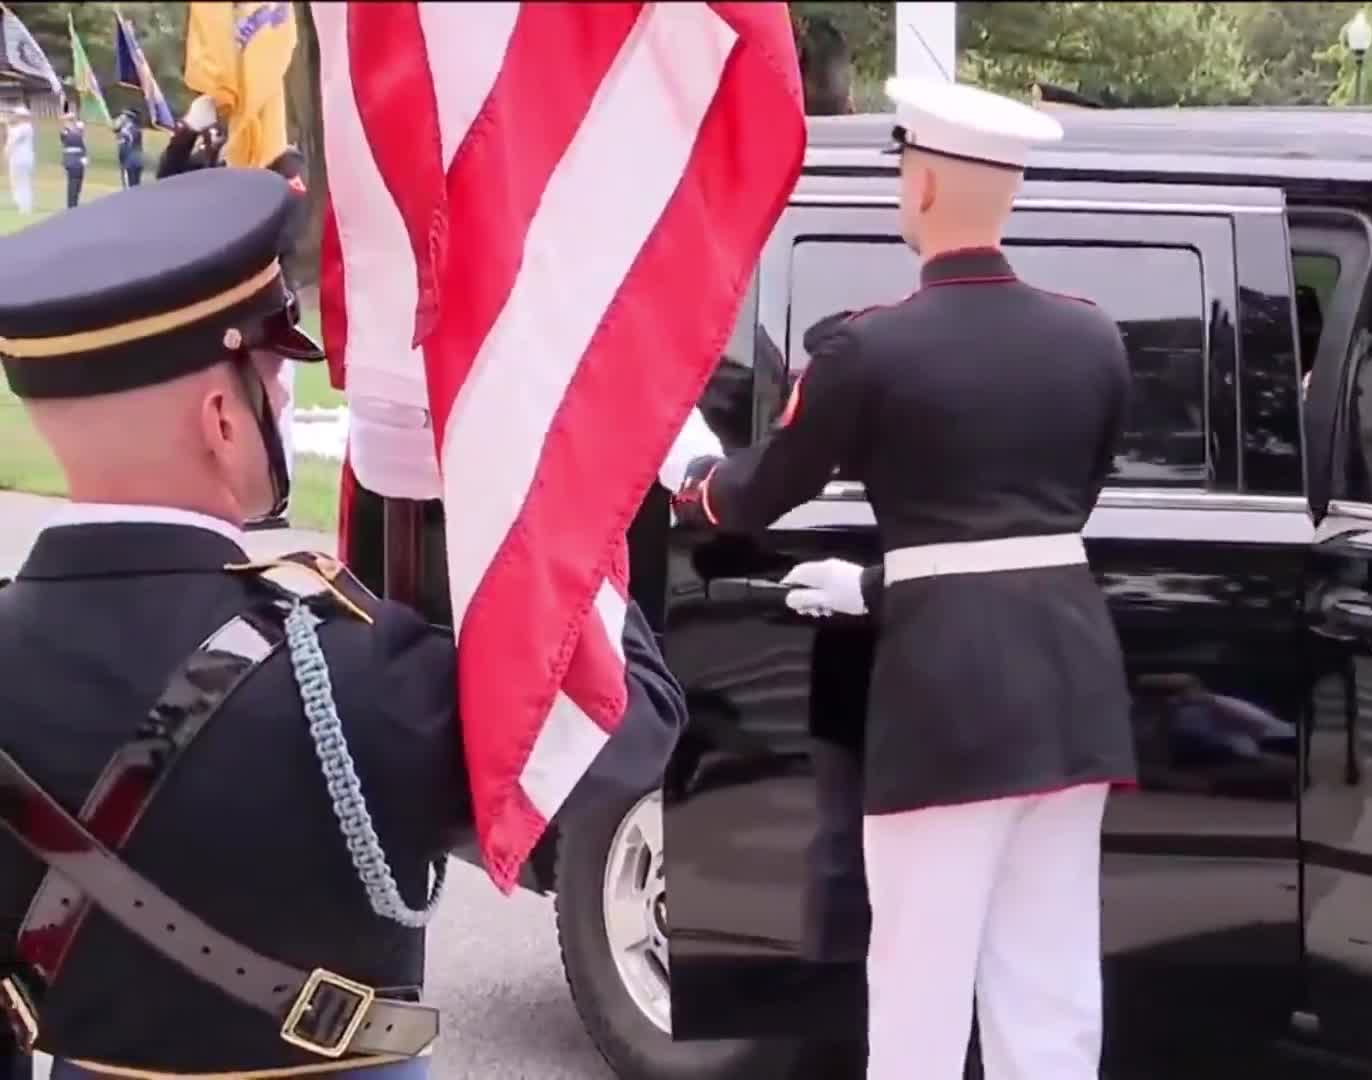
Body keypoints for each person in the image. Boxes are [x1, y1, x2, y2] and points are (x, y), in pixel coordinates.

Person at [0, 168, 688, 1077]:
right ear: (220, 419)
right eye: (275, 378)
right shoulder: (359, 676)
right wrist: (570, 493)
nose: (284, 402)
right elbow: (629, 739)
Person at [673, 77, 1136, 1080]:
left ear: (920, 188)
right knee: (1049, 992)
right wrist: (885, 586)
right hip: (1073, 684)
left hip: (948, 703)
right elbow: (1031, 535)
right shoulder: (1093, 337)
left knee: (920, 990)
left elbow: (761, 495)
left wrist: (693, 477)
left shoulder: (869, 345)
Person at [158, 94, 222, 179]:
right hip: (185, 139)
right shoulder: (207, 104)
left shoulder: (203, 101)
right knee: (173, 166)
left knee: (171, 164)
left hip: (183, 136)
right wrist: (210, 162)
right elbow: (207, 137)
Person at [5, 106, 32, 216]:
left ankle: (24, 207)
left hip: (19, 158)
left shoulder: (22, 128)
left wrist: (7, 152)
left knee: (20, 183)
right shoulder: (26, 127)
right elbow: (11, 132)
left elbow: (12, 141)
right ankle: (24, 205)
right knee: (21, 182)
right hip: (24, 158)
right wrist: (7, 123)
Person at [58, 110, 84, 209]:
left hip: (79, 159)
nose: (72, 121)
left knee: (78, 183)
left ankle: (74, 204)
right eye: (70, 120)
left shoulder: (78, 129)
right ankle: (72, 205)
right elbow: (69, 138)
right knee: (73, 183)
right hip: (72, 159)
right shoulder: (66, 131)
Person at [114, 109, 144, 188]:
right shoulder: (136, 129)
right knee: (135, 187)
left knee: (128, 188)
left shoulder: (126, 131)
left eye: (122, 117)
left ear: (128, 118)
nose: (120, 118)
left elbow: (124, 148)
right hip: (137, 162)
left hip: (128, 163)